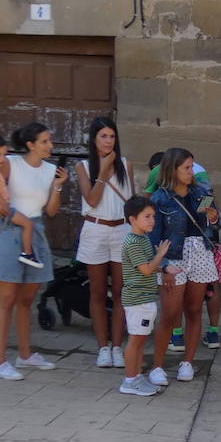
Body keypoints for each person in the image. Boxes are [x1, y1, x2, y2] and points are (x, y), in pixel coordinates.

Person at [0, 123, 66, 380]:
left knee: (26, 300)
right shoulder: (9, 163)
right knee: (6, 299)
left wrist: (58, 185)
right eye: (45, 141)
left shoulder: (50, 170)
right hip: (6, 231)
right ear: (31, 144)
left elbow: (51, 211)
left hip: (34, 231)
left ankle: (25, 355)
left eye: (50, 141)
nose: (50, 145)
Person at [149, 148, 219, 383]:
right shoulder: (159, 199)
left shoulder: (202, 192)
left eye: (192, 166)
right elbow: (152, 237)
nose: (192, 172)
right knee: (169, 313)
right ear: (173, 170)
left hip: (200, 252)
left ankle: (187, 362)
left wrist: (213, 217)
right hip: (174, 255)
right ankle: (157, 366)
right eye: (186, 168)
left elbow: (215, 226)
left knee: (194, 310)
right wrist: (164, 265)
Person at [75, 118, 132, 369]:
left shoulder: (126, 166)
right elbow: (93, 200)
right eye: (103, 136)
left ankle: (118, 346)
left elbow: (130, 202)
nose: (108, 141)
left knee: (120, 291)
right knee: (97, 292)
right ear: (94, 139)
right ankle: (102, 347)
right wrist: (103, 171)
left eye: (112, 136)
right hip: (95, 229)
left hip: (121, 229)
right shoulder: (83, 166)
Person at [118, 195, 174, 397]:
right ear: (133, 219)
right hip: (137, 300)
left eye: (153, 216)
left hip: (145, 299)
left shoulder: (142, 239)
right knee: (136, 340)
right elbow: (146, 269)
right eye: (147, 216)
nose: (152, 220)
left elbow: (150, 267)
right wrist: (161, 254)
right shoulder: (133, 242)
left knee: (140, 340)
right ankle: (130, 380)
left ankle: (136, 376)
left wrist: (165, 268)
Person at [0, 134, 43, 269]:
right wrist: (2, 204)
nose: (3, 159)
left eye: (4, 154)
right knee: (28, 224)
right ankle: (27, 253)